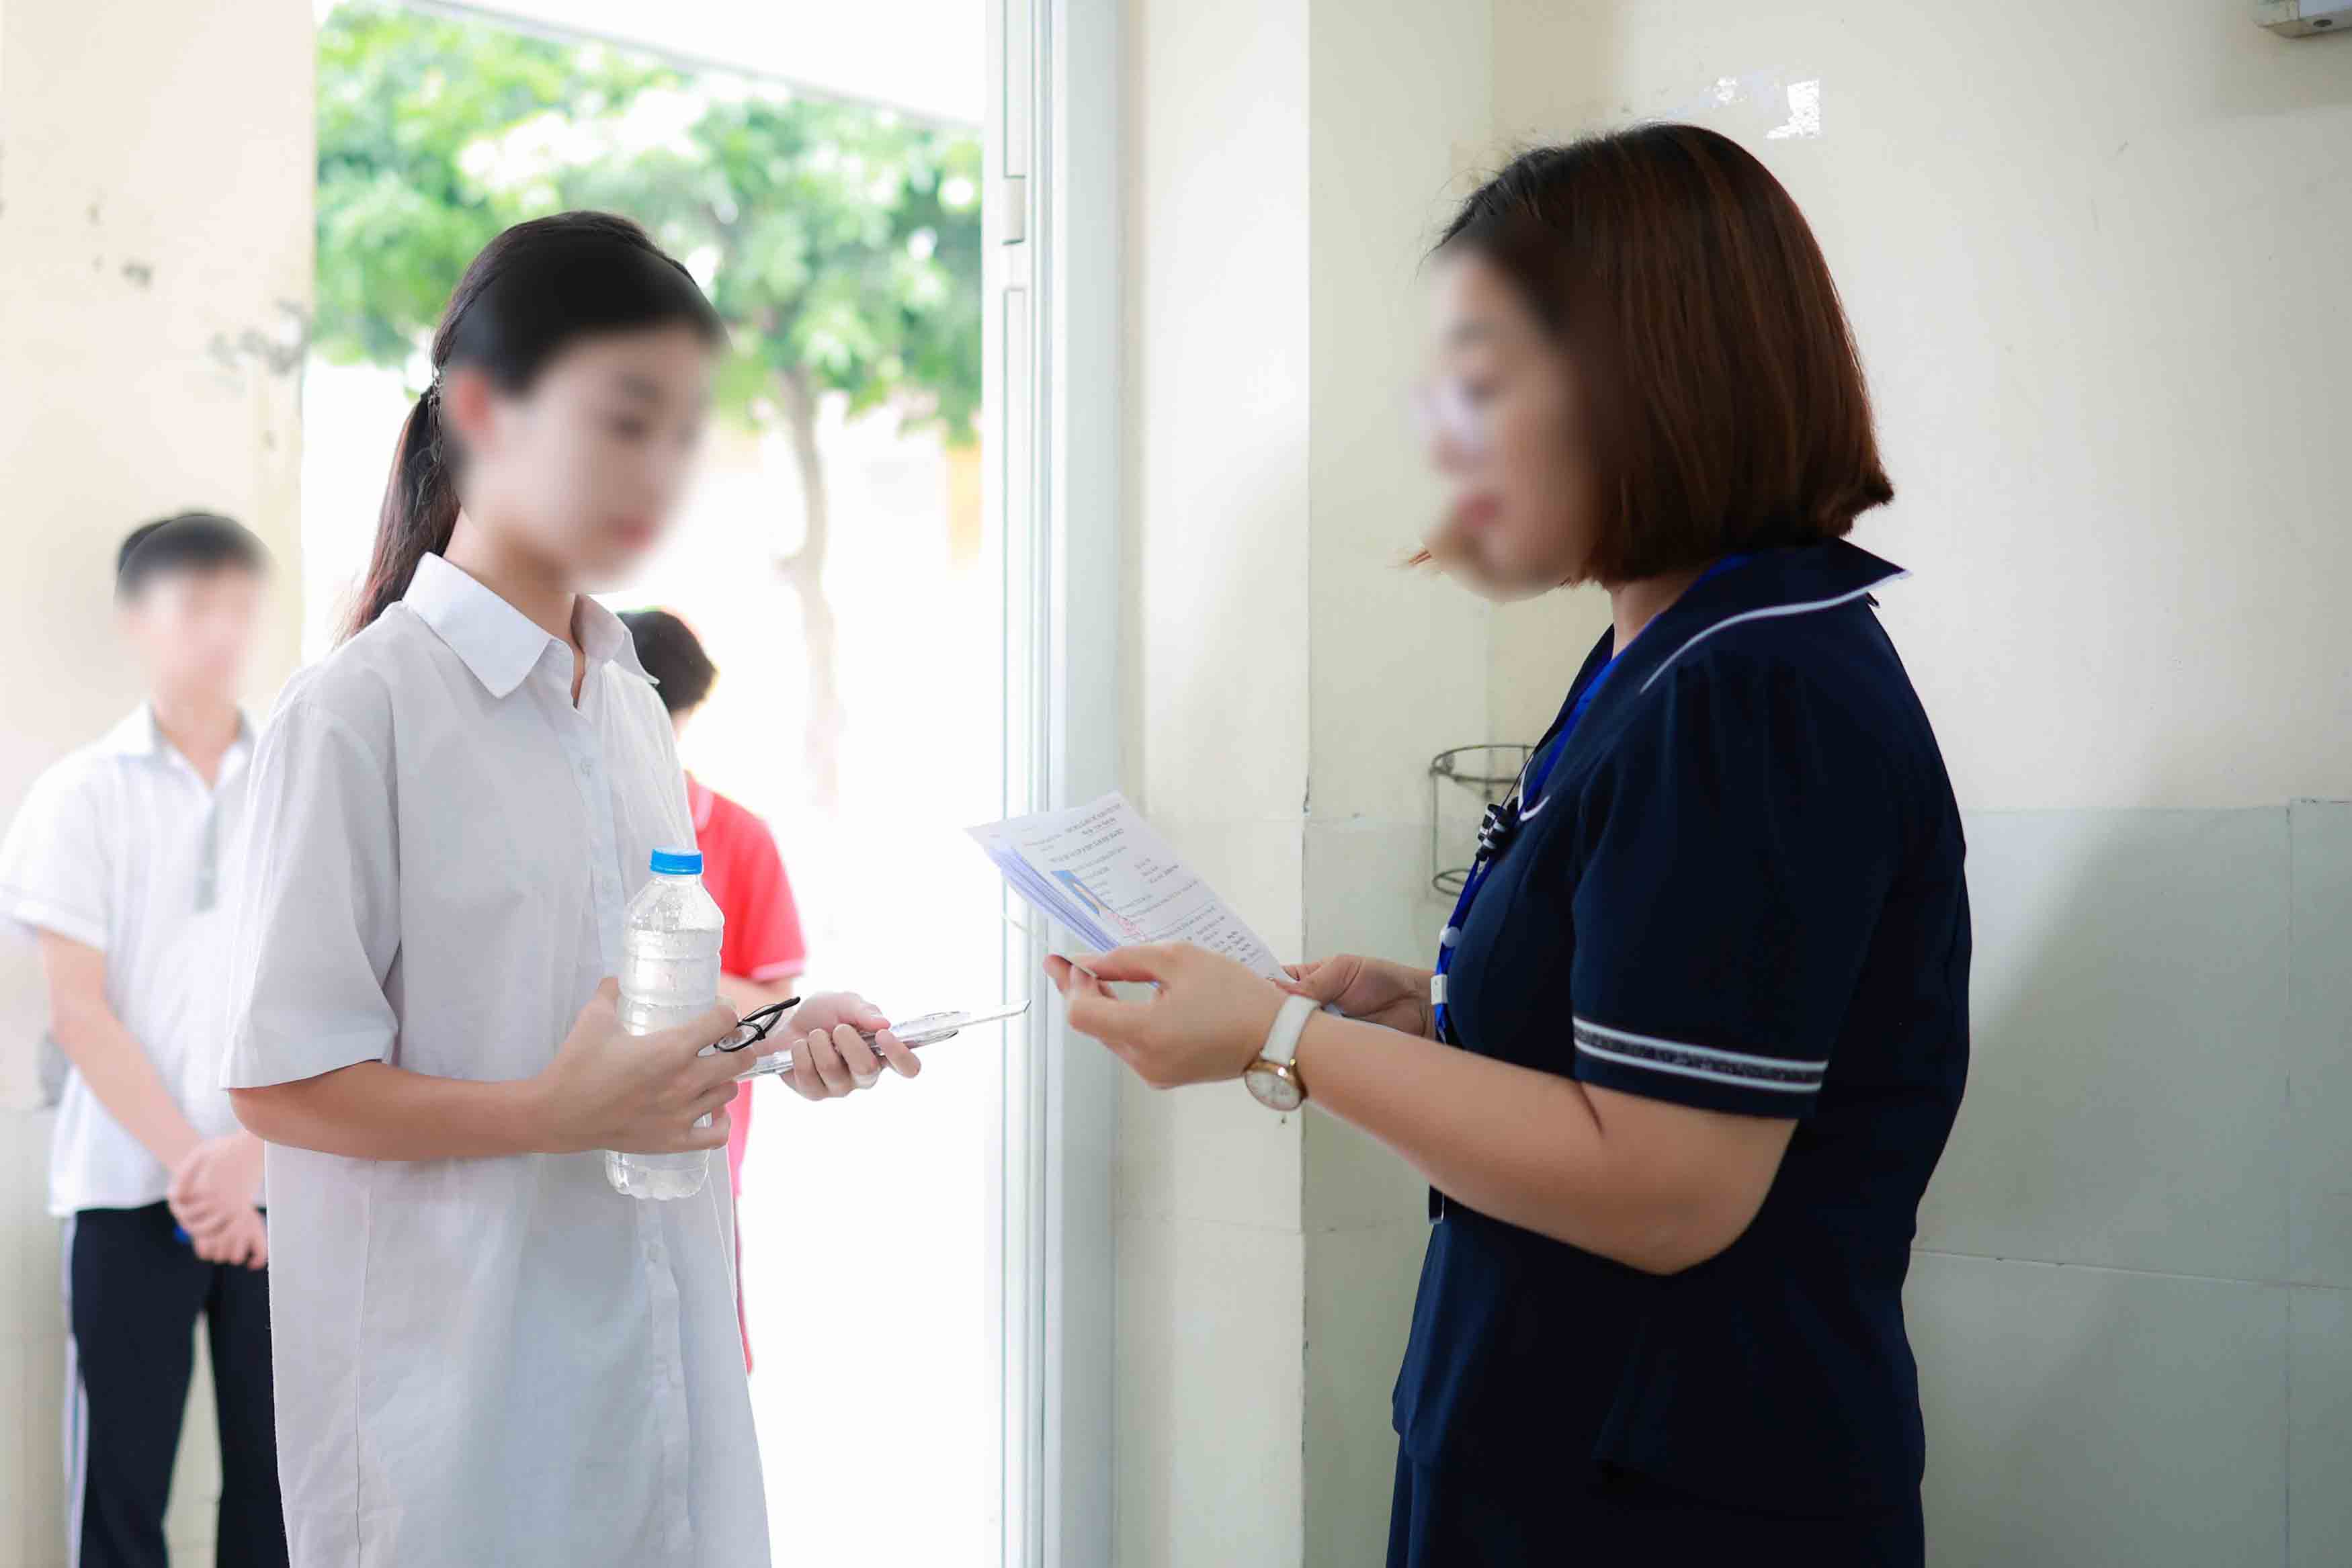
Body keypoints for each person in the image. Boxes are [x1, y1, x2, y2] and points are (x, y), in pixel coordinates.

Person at [1048, 126, 1968, 1565]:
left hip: (1672, 1499)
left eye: (1482, 387)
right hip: (1554, 1453)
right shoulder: (1662, 657)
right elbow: (1633, 1039)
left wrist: (1284, 1039)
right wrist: (1431, 1022)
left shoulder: (1753, 690)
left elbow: (1666, 1190)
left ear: (1643, 378)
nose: (1444, 441)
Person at [220, 212, 921, 1568]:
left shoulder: (628, 708)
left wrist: (774, 1028)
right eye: (624, 418)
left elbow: (613, 1004)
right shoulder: (360, 715)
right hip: (459, 1427)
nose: (659, 469)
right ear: (481, 410)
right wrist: (548, 1115)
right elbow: (279, 1081)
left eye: (681, 431)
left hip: (650, 1381)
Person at [0, 513, 288, 1567]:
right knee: (121, 1500)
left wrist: (252, 1158)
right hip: (128, 1188)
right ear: (138, 620)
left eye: (237, 607)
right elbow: (78, 1010)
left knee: (280, 1490)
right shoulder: (80, 794)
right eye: (192, 605)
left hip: (283, 1185)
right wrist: (198, 1167)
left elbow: (338, 989)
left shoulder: (299, 779)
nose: (219, 631)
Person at [621, 607, 809, 1368]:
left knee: (700, 1373)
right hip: (569, 1147)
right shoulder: (571, 831)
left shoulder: (738, 837)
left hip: (697, 1157)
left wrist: (669, 971)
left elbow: (780, 1008)